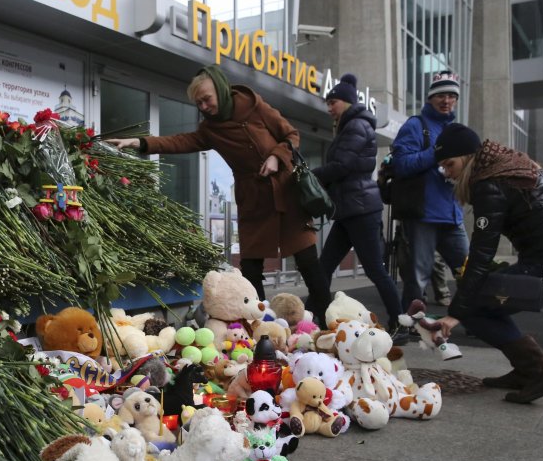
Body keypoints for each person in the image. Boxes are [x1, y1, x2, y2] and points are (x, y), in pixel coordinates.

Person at [106, 65, 331, 322]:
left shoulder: (253, 105)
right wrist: (139, 142)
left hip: (286, 191)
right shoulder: (210, 130)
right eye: (198, 102)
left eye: (206, 99)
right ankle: (258, 326)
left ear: (220, 90)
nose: (203, 106)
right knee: (251, 268)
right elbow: (179, 141)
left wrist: (276, 157)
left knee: (308, 261)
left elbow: (291, 134)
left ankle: (327, 322)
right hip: (254, 199)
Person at [434, 124, 543, 403]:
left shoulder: (488, 182)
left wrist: (456, 312)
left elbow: (481, 253)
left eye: (450, 164)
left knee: (474, 309)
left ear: (467, 157)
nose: (447, 173)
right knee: (489, 298)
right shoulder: (510, 166)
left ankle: (542, 371)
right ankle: (526, 370)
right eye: (442, 167)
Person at [311, 74, 404, 337]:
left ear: (348, 102)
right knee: (324, 266)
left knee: (374, 268)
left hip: (360, 209)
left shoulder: (356, 126)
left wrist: (310, 175)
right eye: (328, 103)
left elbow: (342, 166)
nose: (329, 108)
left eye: (333, 102)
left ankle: (399, 320)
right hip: (349, 209)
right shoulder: (350, 126)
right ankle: (313, 317)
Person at [391, 70, 469, 312]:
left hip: (452, 214)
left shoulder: (457, 129)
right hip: (423, 215)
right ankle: (412, 323)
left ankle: (475, 319)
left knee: (470, 271)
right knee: (417, 279)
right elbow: (401, 165)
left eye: (451, 96)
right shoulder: (415, 125)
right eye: (441, 95)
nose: (446, 101)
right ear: (430, 98)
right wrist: (436, 152)